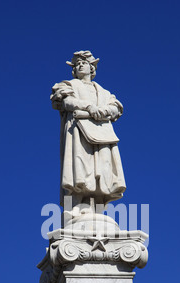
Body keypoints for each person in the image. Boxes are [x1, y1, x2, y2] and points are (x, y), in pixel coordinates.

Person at [50, 50, 126, 216]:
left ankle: (99, 205)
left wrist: (105, 110)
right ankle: (77, 202)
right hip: (78, 132)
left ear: (92, 68)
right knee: (81, 165)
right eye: (77, 64)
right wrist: (88, 107)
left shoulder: (104, 92)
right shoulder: (69, 86)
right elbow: (67, 101)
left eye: (83, 63)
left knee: (103, 166)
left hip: (102, 134)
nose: (80, 66)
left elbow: (116, 108)